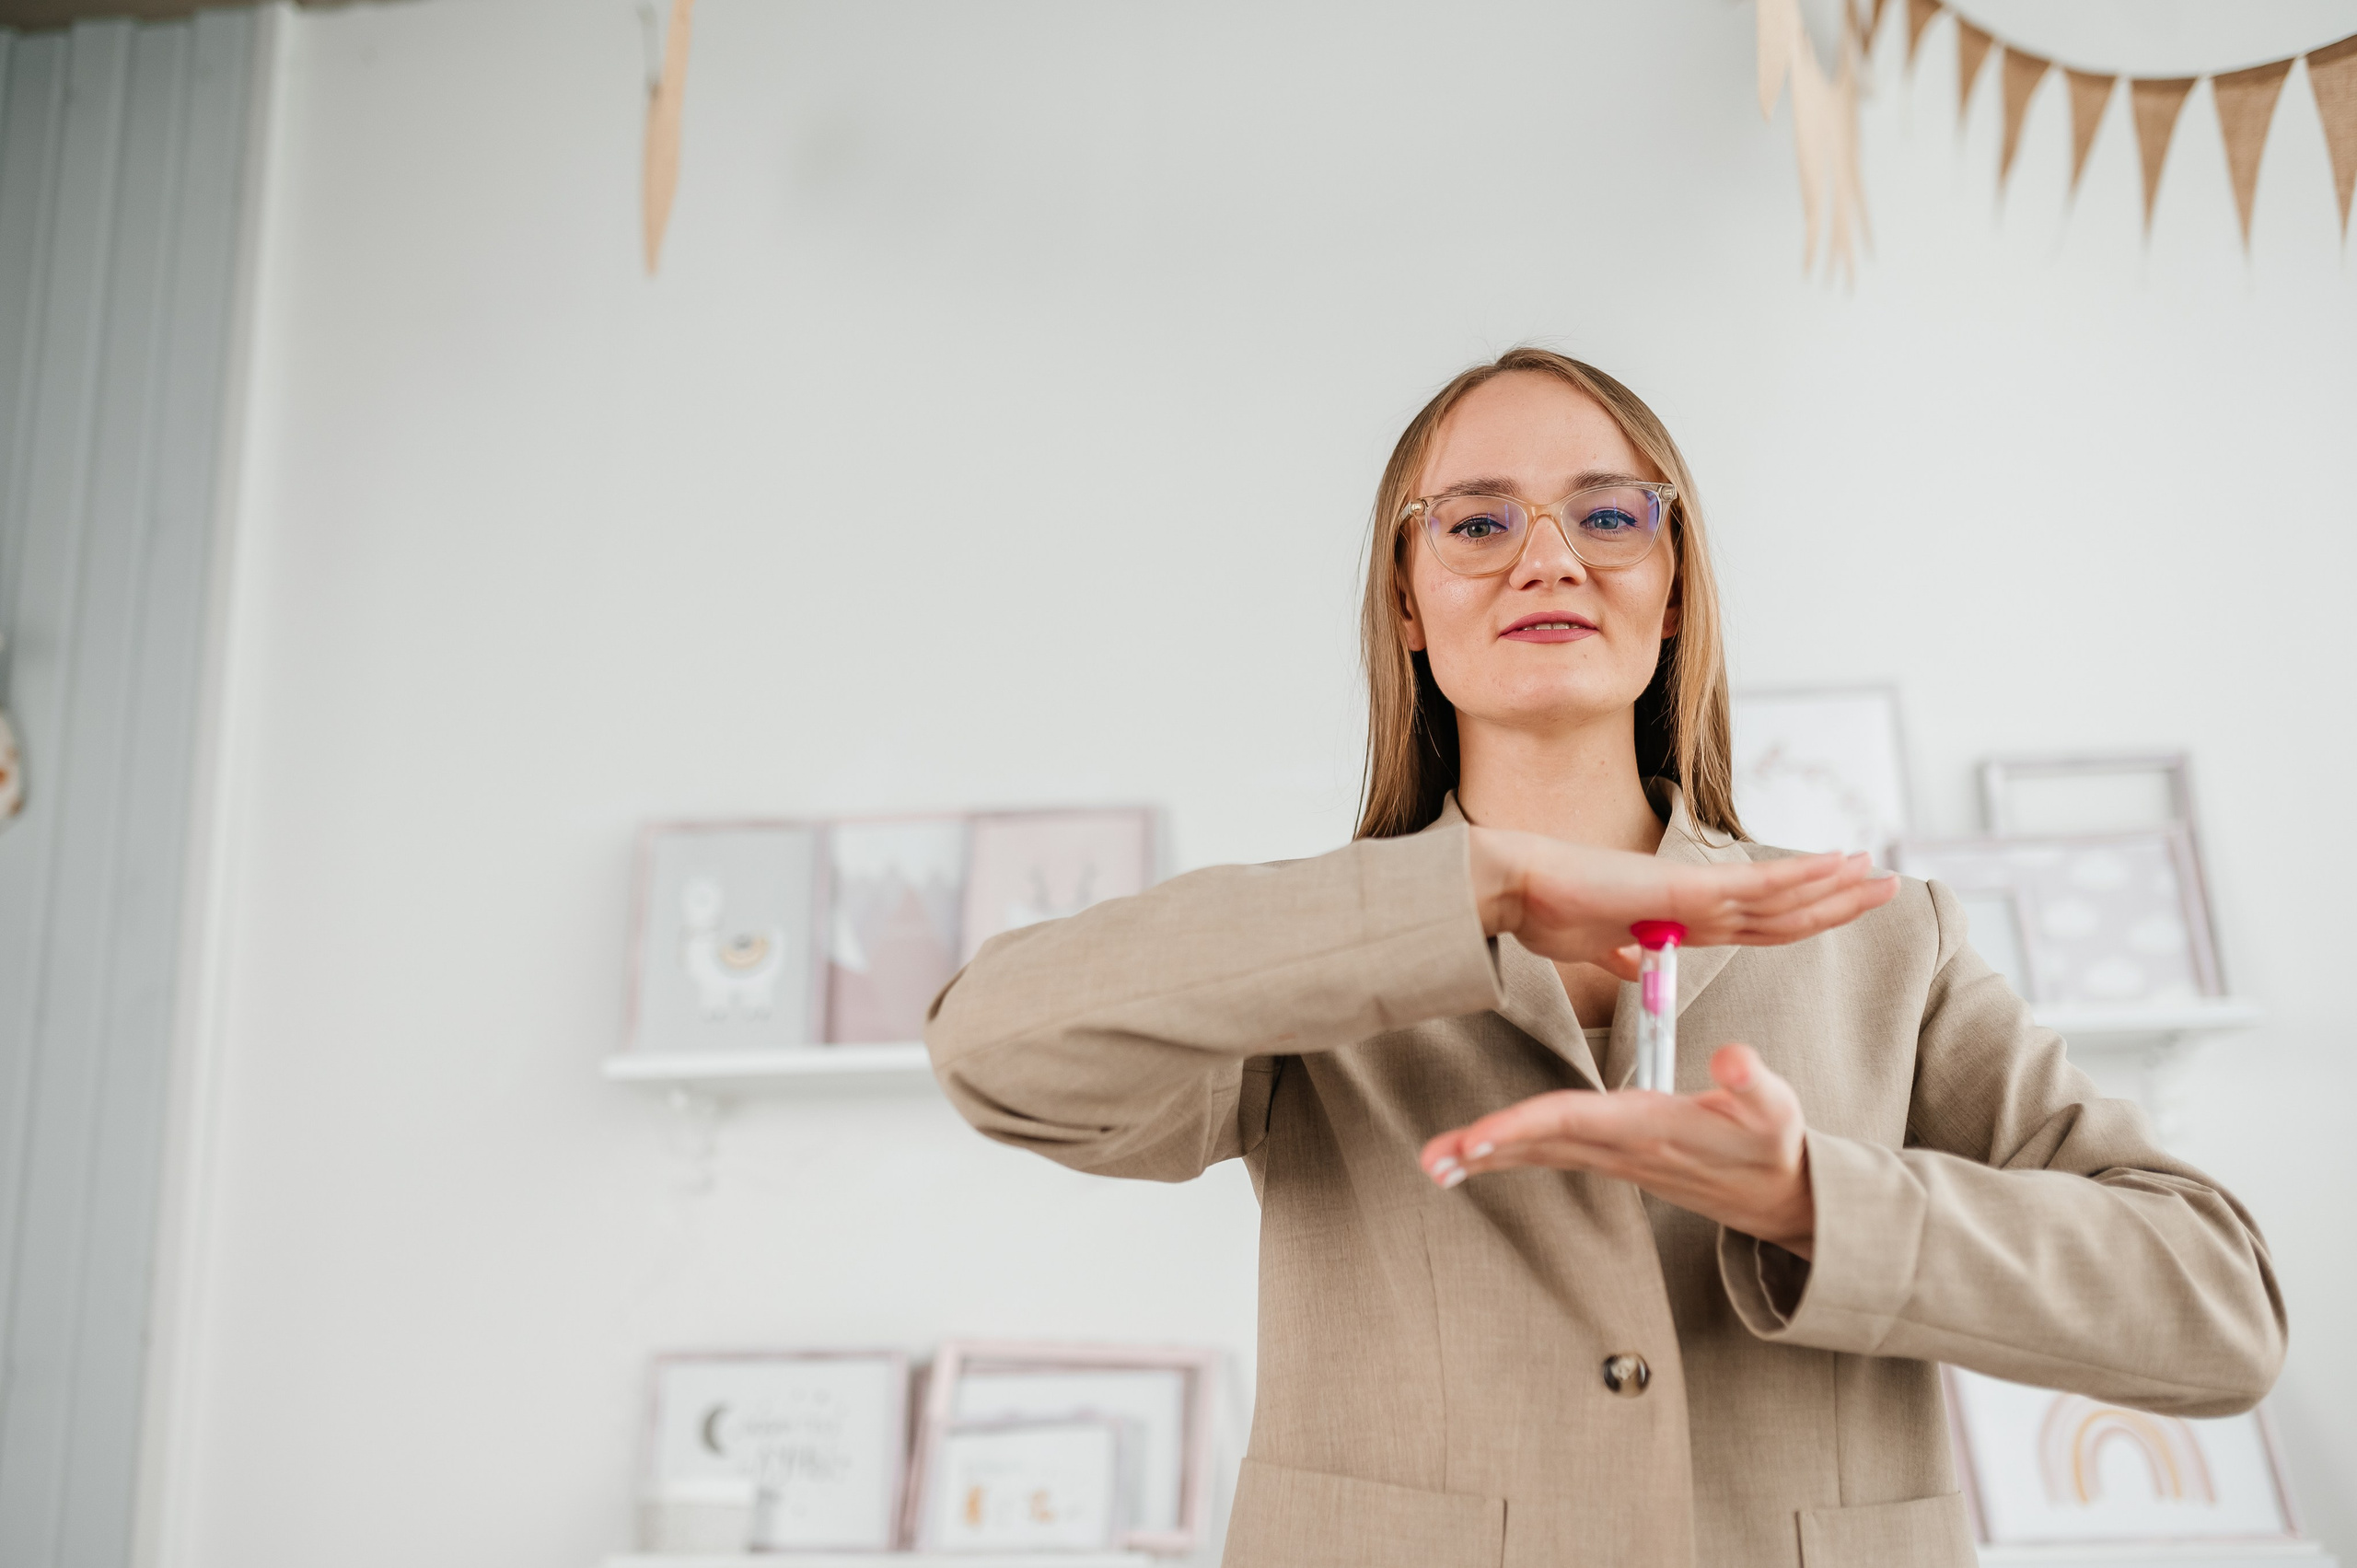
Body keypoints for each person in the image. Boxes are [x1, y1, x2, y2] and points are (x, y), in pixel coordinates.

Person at [923, 348, 2284, 1568]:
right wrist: (1480, 891)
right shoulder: (1310, 960)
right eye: (1477, 522)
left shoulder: (1881, 942)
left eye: (1610, 513)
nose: (1549, 556)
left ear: (1674, 584)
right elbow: (990, 1051)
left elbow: (2219, 1312)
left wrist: (1819, 1200)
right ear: (1407, 602)